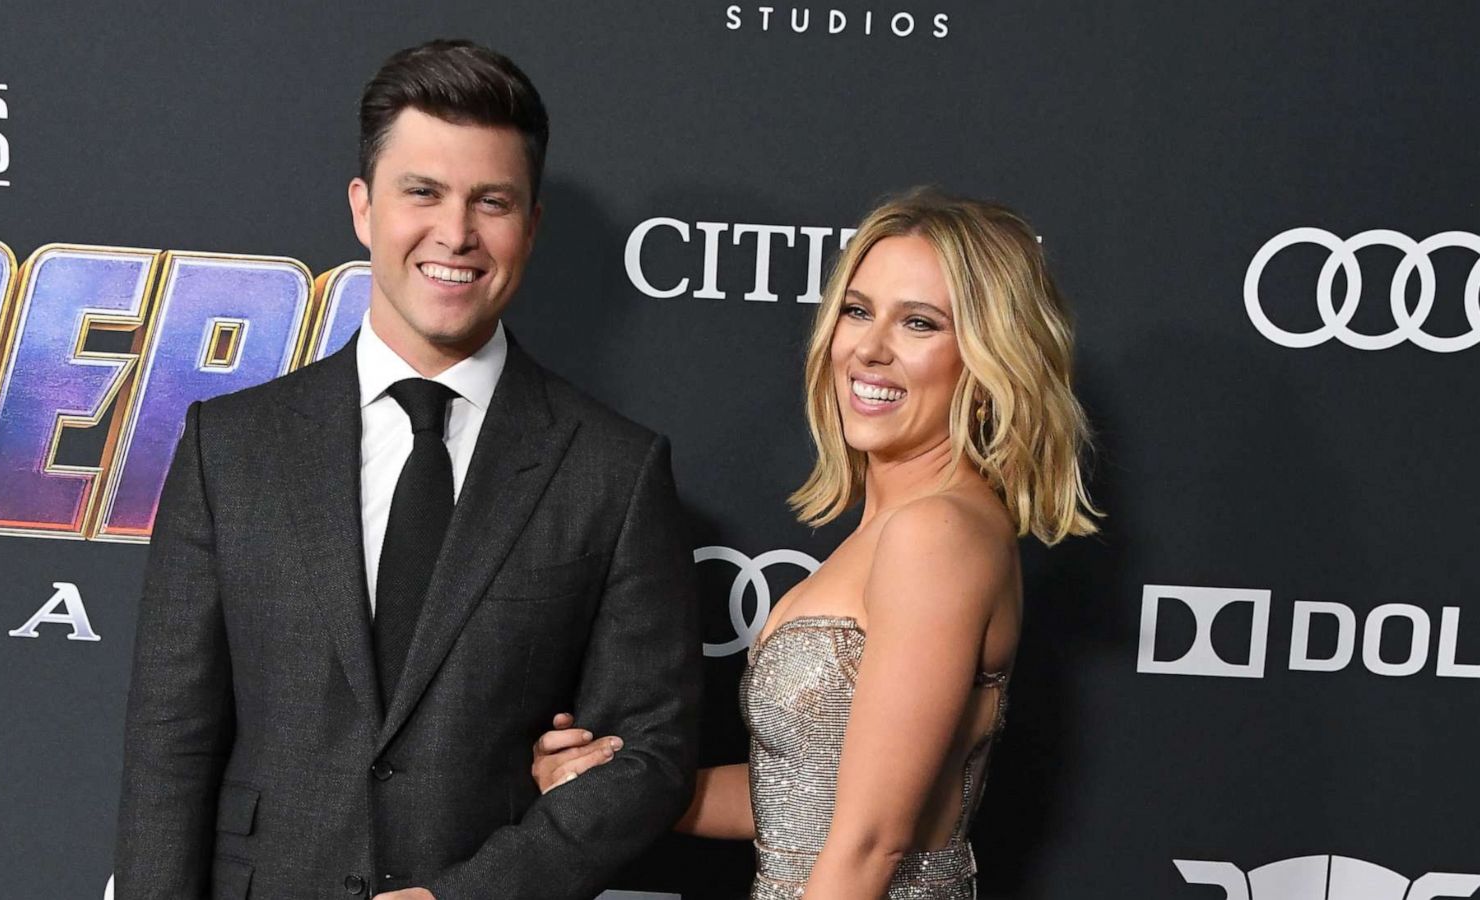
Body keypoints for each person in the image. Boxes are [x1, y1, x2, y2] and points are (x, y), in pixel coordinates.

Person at [114, 40, 701, 900]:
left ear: (531, 226)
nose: (455, 233)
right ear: (363, 207)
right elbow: (171, 743)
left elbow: (646, 754)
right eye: (421, 192)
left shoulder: (614, 469)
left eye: (490, 201)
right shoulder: (230, 447)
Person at [532, 190, 1098, 899]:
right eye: (858, 311)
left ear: (988, 361)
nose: (870, 348)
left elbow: (871, 843)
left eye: (919, 323)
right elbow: (804, 801)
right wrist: (612, 786)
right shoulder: (899, 527)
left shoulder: (937, 534)